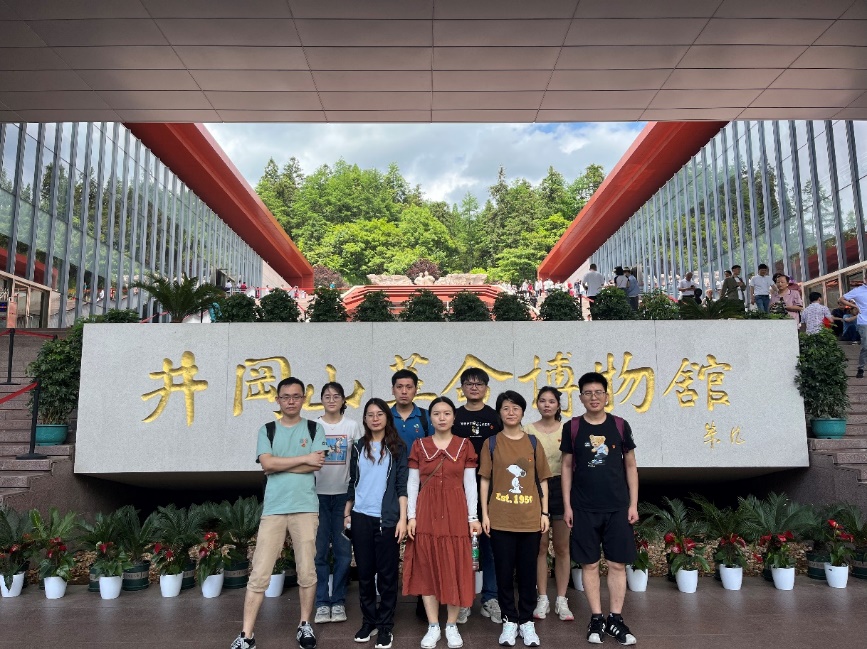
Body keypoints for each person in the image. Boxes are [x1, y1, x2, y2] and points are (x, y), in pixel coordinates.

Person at [231, 378, 329, 649]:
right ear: (278, 400)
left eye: (296, 396)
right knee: (259, 572)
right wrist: (303, 459)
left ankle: (305, 624)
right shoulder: (268, 430)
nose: (291, 401)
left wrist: (279, 464)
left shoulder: (314, 428)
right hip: (274, 510)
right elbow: (267, 464)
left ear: (303, 399)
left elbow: (316, 464)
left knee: (307, 571)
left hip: (305, 508)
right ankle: (246, 635)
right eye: (286, 396)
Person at [561, 372, 639, 647]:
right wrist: (568, 506)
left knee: (617, 564)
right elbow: (566, 467)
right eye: (588, 393)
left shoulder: (619, 425)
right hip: (583, 507)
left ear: (606, 396)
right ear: (581, 397)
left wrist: (633, 504)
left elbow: (631, 464)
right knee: (590, 563)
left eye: (598, 392)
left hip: (617, 506)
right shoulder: (572, 427)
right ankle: (596, 617)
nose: (593, 397)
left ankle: (615, 618)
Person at [404, 396, 482, 649]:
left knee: (456, 566)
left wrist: (473, 517)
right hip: (426, 510)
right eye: (436, 413)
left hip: (455, 510)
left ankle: (451, 625)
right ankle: (433, 626)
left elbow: (470, 484)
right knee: (427, 567)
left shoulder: (464, 445)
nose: (441, 418)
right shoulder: (419, 445)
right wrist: (411, 516)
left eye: (447, 413)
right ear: (430, 418)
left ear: (454, 417)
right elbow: (412, 483)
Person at [480, 391, 551, 648]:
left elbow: (542, 480)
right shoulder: (491, 443)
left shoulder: (533, 442)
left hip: (529, 519)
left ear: (522, 412)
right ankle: (509, 620)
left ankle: (527, 621)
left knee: (527, 572)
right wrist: (485, 514)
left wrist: (544, 513)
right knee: (503, 572)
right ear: (499, 413)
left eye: (516, 408)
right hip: (500, 519)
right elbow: (485, 479)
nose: (511, 412)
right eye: (506, 408)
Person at [345, 399, 409, 649]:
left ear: (387, 418)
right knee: (364, 573)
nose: (375, 418)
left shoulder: (397, 447)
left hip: (387, 519)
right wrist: (347, 512)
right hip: (361, 516)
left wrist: (402, 519)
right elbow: (353, 481)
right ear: (365, 419)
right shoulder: (358, 446)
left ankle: (385, 625)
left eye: (379, 414)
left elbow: (401, 485)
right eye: (370, 414)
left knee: (387, 575)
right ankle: (369, 621)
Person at [453, 367, 503, 624]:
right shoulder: (455, 416)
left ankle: (490, 598)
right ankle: (464, 599)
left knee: (490, 546)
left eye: (479, 383)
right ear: (462, 387)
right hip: (459, 490)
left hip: (491, 490)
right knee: (464, 547)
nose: (474, 387)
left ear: (486, 388)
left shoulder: (495, 416)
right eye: (469, 383)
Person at [314, 382, 363, 625]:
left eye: (336, 396)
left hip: (344, 496)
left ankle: (339, 600)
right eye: (327, 396)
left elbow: (360, 462)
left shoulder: (352, 426)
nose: (331, 400)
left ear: (344, 400)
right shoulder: (314, 426)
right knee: (320, 552)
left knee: (343, 553)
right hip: (317, 496)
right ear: (321, 400)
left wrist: (353, 499)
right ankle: (322, 602)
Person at [525, 387, 573, 622]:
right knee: (541, 546)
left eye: (551, 401)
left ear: (558, 405)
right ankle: (542, 597)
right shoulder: (528, 430)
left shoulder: (568, 429)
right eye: (542, 401)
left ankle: (562, 599)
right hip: (535, 488)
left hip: (562, 487)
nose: (547, 405)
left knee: (562, 547)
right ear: (537, 404)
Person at [391, 369, 431, 448]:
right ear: (393, 390)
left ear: (416, 390)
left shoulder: (427, 417)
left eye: (409, 387)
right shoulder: (385, 417)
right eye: (399, 387)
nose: (404, 391)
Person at [842, 279, 867, 379]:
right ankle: (861, 368)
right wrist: (854, 305)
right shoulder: (858, 290)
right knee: (865, 346)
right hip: (864, 322)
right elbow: (842, 299)